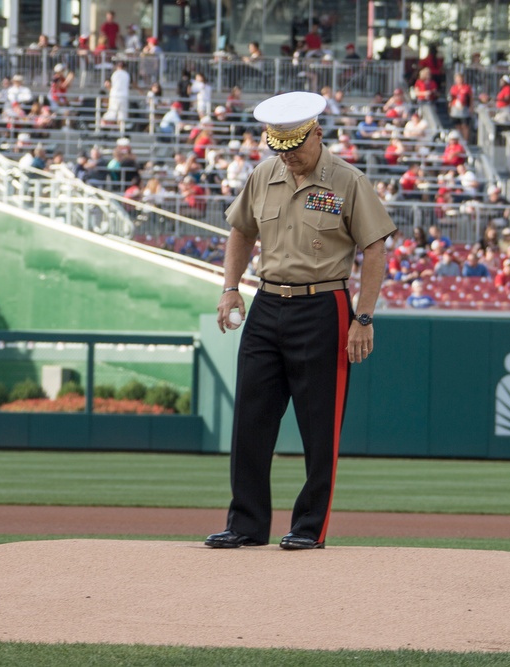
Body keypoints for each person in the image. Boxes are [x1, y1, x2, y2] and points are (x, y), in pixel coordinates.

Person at [205, 92, 396, 551]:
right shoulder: (264, 174)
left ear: (317, 134)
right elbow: (241, 231)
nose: (288, 157)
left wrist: (363, 317)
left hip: (323, 305)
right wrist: (231, 287)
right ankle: (246, 524)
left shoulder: (347, 181)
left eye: (295, 148)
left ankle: (309, 527)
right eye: (280, 149)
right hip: (267, 303)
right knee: (250, 419)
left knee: (319, 424)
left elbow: (375, 248)